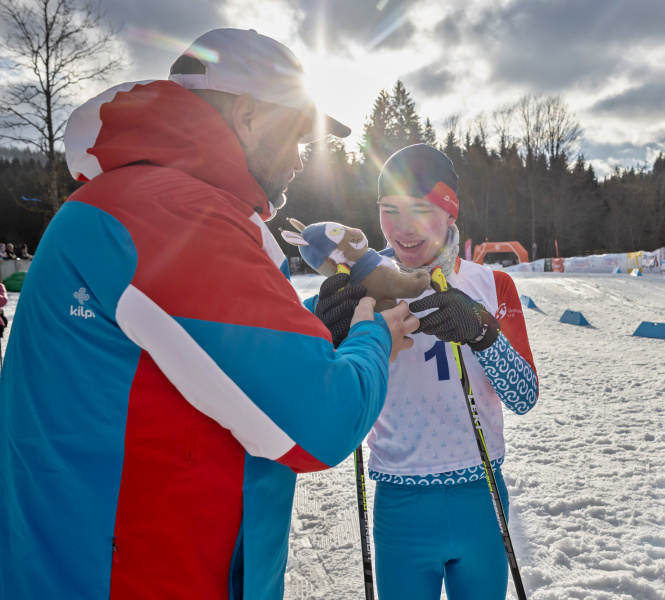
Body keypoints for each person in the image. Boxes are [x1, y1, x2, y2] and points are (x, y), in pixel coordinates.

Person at [0, 28, 419, 600]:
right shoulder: (172, 211)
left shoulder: (154, 198)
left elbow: (194, 351)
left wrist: (318, 317)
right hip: (135, 575)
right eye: (297, 135)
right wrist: (374, 337)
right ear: (247, 115)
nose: (301, 160)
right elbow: (321, 421)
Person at [307, 144, 539, 599]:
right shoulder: (361, 285)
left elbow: (524, 395)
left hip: (481, 498)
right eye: (389, 210)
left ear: (451, 212)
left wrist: (482, 334)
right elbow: (306, 382)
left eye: (420, 209)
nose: (402, 228)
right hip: (401, 501)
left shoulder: (492, 284)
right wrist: (326, 334)